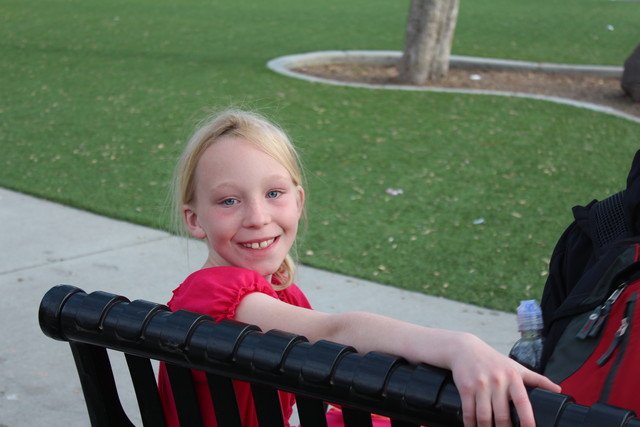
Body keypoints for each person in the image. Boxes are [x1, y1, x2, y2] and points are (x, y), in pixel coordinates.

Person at [158, 109, 560, 427]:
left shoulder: (282, 297)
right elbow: (336, 332)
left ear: (298, 201)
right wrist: (460, 345)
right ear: (194, 220)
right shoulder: (211, 293)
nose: (258, 217)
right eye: (229, 201)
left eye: (274, 193)